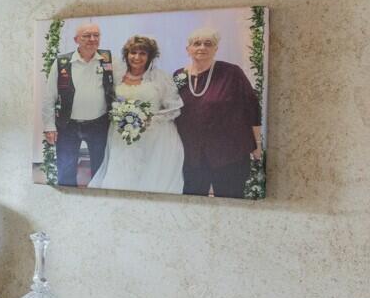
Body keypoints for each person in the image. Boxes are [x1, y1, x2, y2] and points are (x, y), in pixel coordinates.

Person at [173, 26, 264, 197]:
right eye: (197, 43)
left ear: (216, 49)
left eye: (208, 44)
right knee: (193, 200)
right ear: (188, 49)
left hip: (229, 153)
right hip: (191, 155)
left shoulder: (231, 72)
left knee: (231, 200)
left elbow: (251, 107)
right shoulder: (179, 76)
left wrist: (257, 143)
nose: (202, 47)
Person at [89, 35, 186, 193]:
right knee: (122, 175)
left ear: (150, 57)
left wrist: (150, 118)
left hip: (154, 136)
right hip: (122, 135)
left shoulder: (160, 78)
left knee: (149, 178)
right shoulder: (117, 76)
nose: (137, 57)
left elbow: (174, 108)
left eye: (143, 53)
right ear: (127, 54)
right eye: (133, 52)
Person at [43, 21, 115, 187]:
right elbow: (49, 97)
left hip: (99, 124)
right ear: (76, 39)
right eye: (86, 36)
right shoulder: (62, 62)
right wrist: (49, 126)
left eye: (96, 35)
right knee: (66, 168)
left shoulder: (107, 59)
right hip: (68, 125)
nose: (92, 39)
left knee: (100, 168)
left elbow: (118, 86)